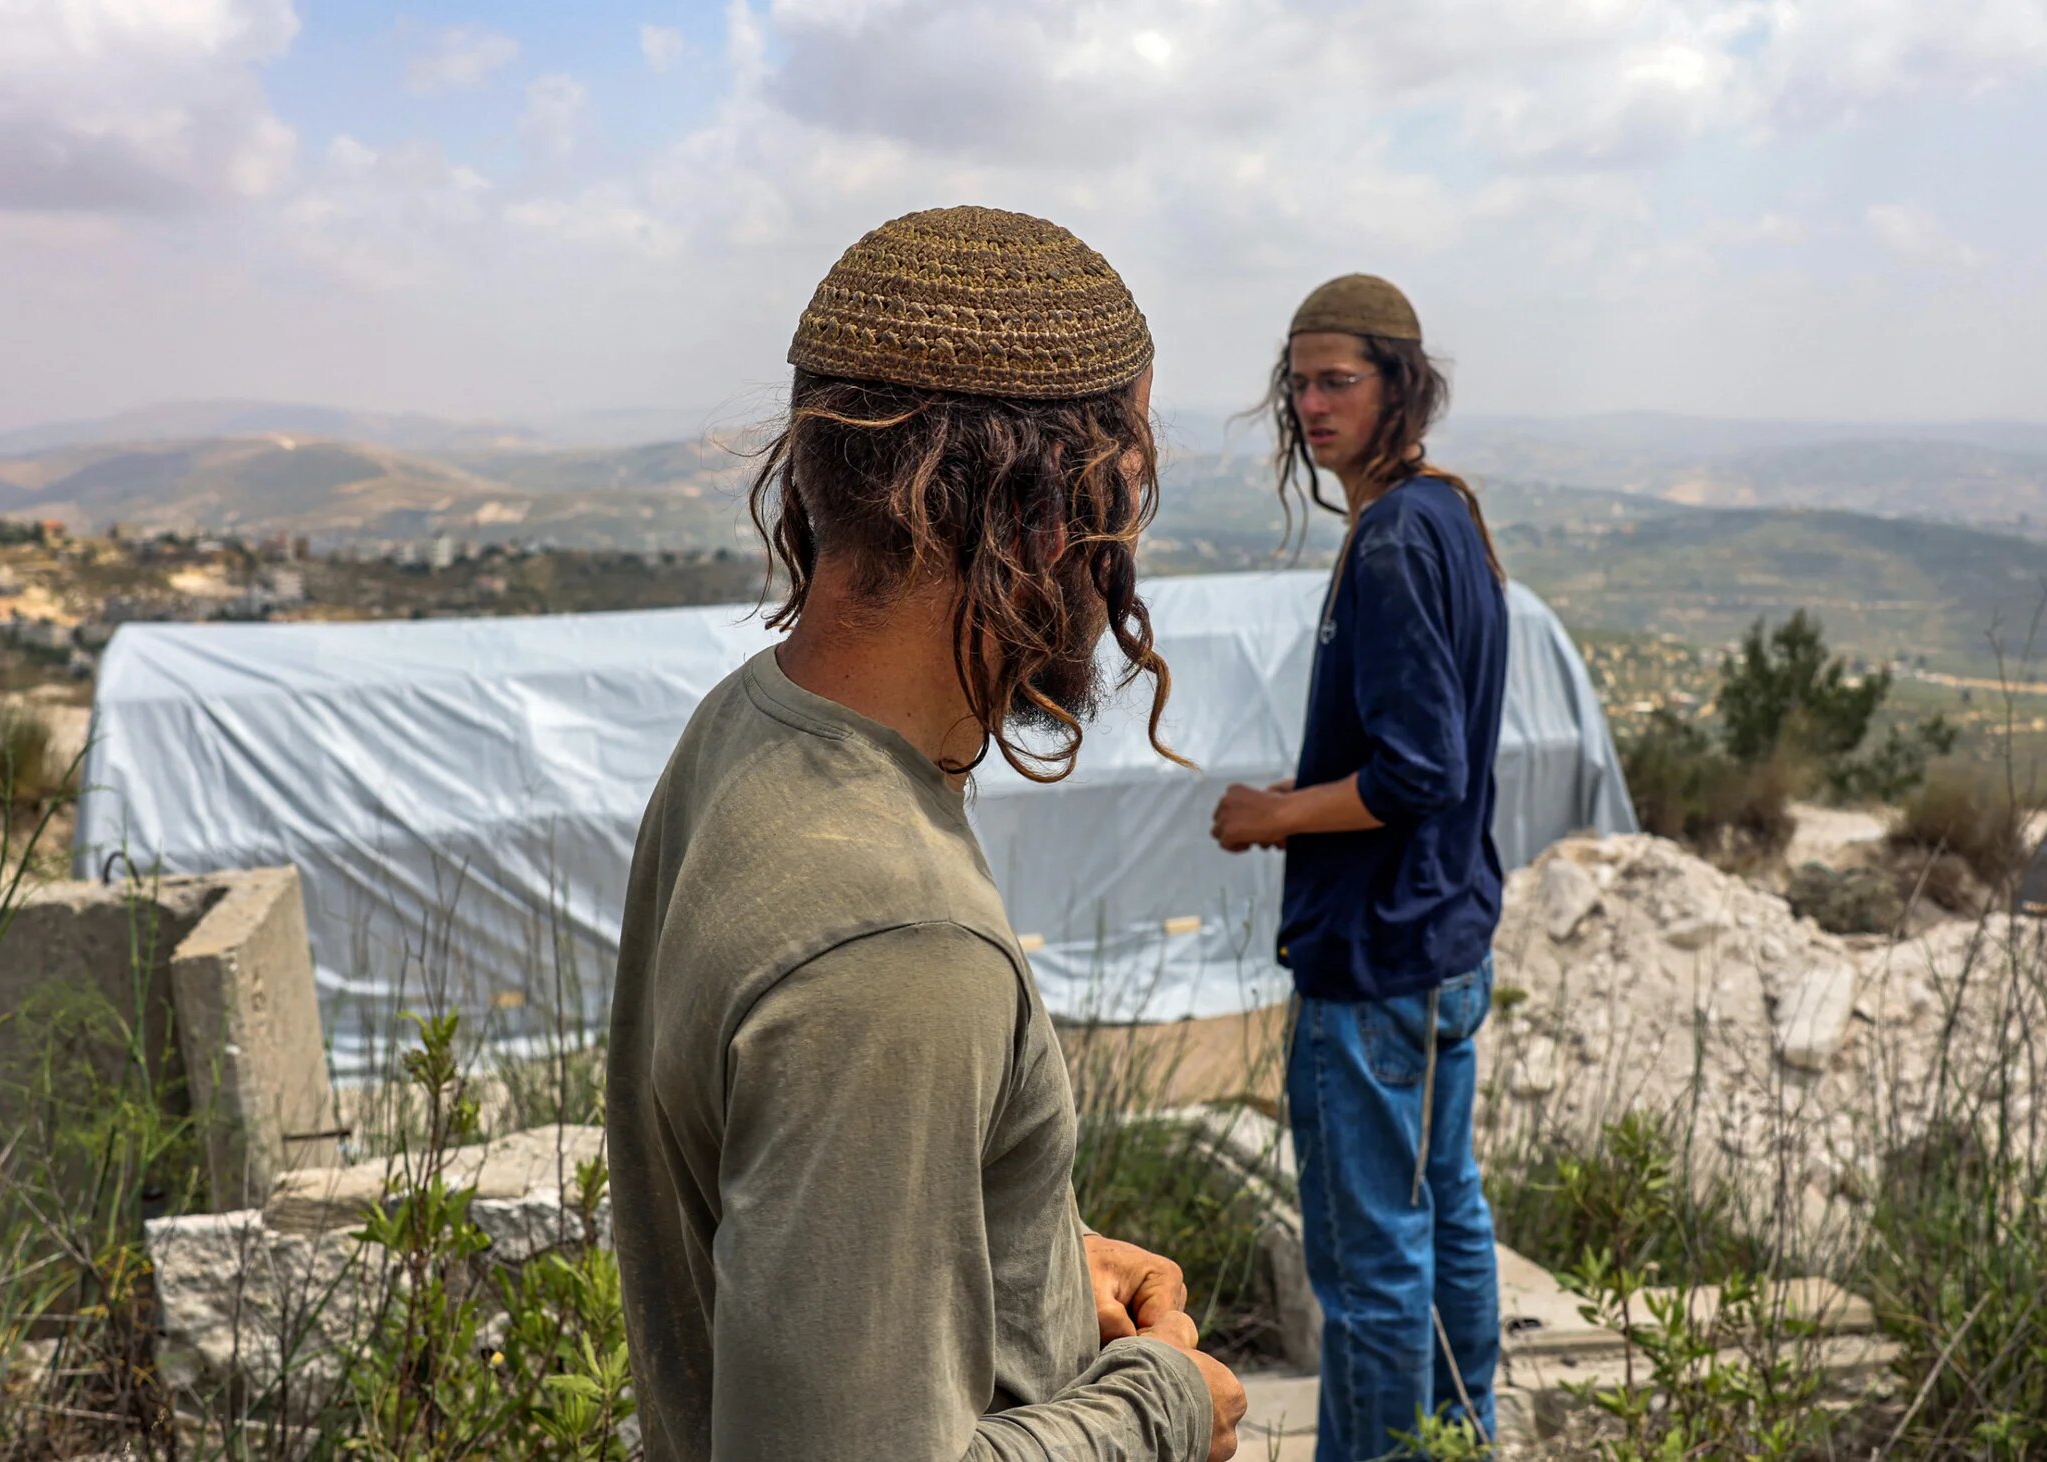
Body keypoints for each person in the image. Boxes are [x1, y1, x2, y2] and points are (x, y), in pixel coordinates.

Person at [605, 205, 1249, 1462]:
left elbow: (785, 1220)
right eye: (1128, 488)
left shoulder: (746, 731)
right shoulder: (893, 943)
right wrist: (1163, 1406)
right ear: (1051, 522)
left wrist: (1031, 1264)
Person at [1209, 274, 1510, 1458]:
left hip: (1375, 956)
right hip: (1440, 941)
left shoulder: (1392, 540)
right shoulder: (1445, 514)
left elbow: (1413, 774)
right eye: (1296, 382)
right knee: (1448, 1218)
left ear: (1399, 383)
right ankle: (1462, 1436)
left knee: (1371, 1260)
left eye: (1337, 379)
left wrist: (1272, 816)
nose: (1309, 403)